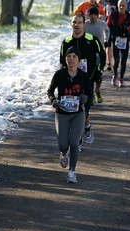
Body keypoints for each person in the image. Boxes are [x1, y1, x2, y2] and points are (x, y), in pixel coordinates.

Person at [60, 13, 106, 151]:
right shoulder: (66, 42)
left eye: (79, 22)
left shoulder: (92, 40)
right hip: (72, 81)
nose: (76, 25)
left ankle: (86, 126)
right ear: (71, 24)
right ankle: (78, 138)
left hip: (88, 80)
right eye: (74, 22)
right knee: (73, 109)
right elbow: (62, 62)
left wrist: (98, 71)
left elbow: (102, 55)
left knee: (84, 110)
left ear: (83, 25)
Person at [48, 47, 90, 183]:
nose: (71, 59)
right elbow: (50, 91)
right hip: (62, 113)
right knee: (63, 144)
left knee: (74, 143)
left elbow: (89, 94)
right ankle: (63, 153)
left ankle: (72, 171)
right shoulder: (59, 75)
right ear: (65, 59)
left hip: (78, 113)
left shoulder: (83, 76)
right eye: (68, 56)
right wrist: (53, 100)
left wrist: (85, 99)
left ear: (78, 60)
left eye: (74, 56)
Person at [107, 0, 130, 87]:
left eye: (123, 5)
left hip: (125, 40)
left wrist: (128, 28)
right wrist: (108, 37)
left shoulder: (129, 16)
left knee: (123, 61)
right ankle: (115, 75)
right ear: (117, 5)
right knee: (116, 60)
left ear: (126, 6)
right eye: (120, 5)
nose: (121, 7)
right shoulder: (112, 15)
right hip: (115, 39)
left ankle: (121, 78)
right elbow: (107, 26)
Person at [85, 5, 111, 103]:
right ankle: (90, 94)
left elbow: (107, 30)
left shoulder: (102, 24)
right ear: (88, 15)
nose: (92, 16)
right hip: (88, 53)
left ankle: (97, 91)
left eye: (94, 14)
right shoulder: (85, 25)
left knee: (98, 75)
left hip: (99, 53)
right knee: (89, 75)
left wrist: (106, 40)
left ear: (97, 15)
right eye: (90, 14)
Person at [105, 0, 119, 71]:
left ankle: (116, 61)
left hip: (116, 25)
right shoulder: (106, 1)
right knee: (108, 45)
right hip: (107, 24)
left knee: (116, 45)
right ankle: (109, 62)